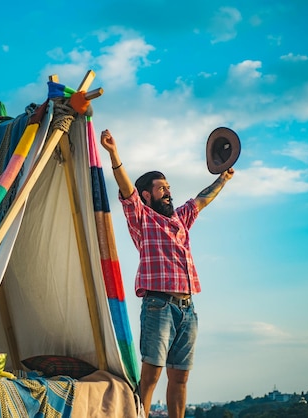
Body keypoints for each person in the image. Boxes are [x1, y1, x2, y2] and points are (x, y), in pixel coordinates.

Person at [100, 129, 235, 418]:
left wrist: (222, 179)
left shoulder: (180, 218)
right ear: (148, 194)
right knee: (151, 375)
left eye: (169, 187)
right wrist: (114, 154)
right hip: (158, 305)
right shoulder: (142, 217)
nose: (169, 192)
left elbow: (202, 199)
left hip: (188, 308)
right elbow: (127, 190)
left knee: (180, 378)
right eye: (162, 188)